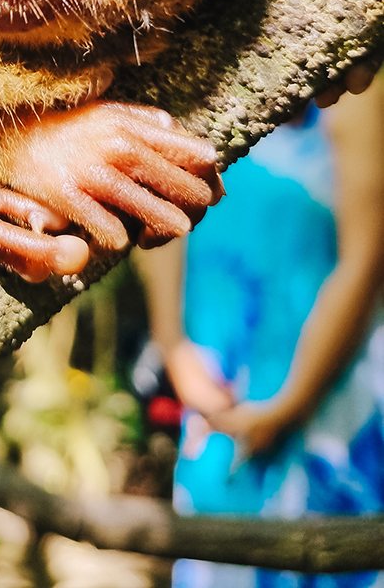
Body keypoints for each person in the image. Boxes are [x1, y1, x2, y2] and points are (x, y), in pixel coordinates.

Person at [136, 82, 384, 588]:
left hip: (331, 406)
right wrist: (175, 349)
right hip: (215, 399)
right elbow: (158, 218)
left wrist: (287, 406)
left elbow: (365, 259)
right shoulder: (195, 73)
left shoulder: (361, 86)